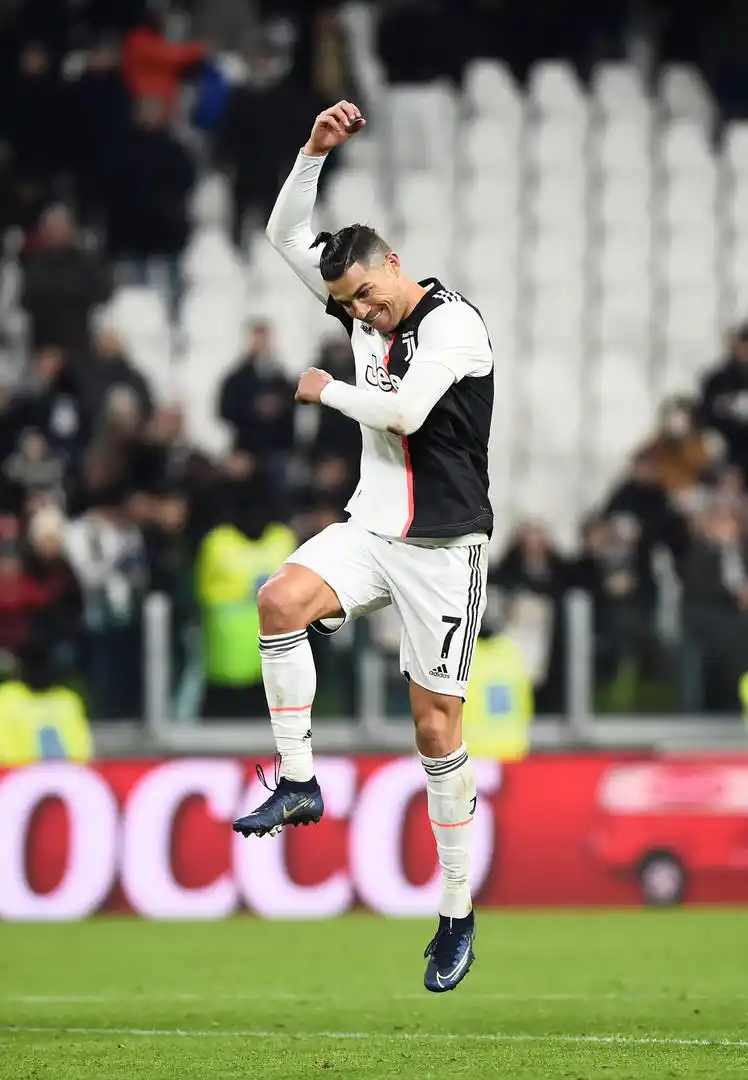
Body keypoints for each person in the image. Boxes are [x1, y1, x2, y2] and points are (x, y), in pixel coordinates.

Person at [232, 101, 494, 993]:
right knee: (277, 600)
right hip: (369, 528)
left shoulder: (453, 327)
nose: (362, 313)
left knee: (435, 731)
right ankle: (299, 781)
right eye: (348, 305)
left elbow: (407, 412)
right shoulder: (362, 307)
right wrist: (310, 150)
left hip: (444, 548)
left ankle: (456, 913)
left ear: (394, 263)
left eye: (368, 296)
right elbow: (282, 232)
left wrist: (326, 391)